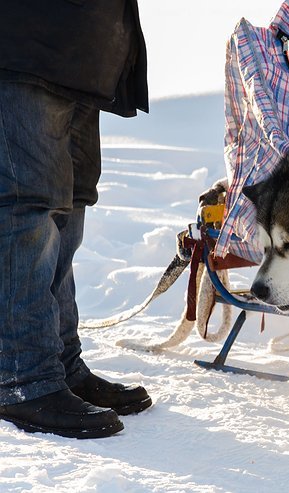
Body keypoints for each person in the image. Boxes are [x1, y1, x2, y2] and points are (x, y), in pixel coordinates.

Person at [0, 0, 152, 439]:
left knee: (70, 204)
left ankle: (60, 364)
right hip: (23, 41)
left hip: (85, 52)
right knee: (27, 205)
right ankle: (23, 377)